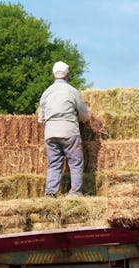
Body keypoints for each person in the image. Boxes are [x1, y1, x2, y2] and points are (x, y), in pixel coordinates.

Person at [38, 61, 90, 197]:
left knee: (54, 164)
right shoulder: (72, 91)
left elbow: (40, 118)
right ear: (68, 75)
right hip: (69, 131)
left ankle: (50, 193)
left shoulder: (46, 92)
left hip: (50, 133)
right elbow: (84, 115)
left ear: (53, 74)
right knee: (75, 162)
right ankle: (75, 193)